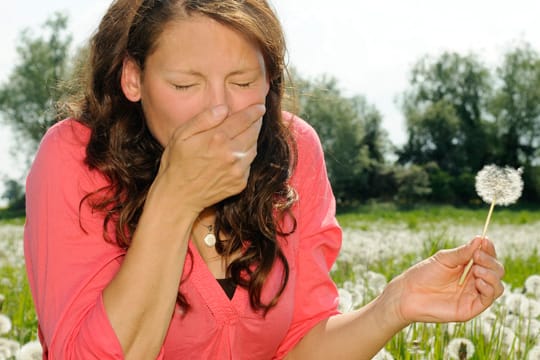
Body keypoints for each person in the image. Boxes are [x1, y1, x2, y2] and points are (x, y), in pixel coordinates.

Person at [23, 0, 505, 359]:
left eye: (242, 82)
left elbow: (302, 343)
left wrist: (395, 305)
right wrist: (175, 200)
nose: (219, 110)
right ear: (134, 78)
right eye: (185, 85)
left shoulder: (293, 152)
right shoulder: (76, 158)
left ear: (271, 79)